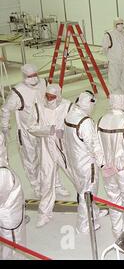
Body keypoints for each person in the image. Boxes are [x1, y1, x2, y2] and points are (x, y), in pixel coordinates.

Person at [0, 64, 58, 198]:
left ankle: (51, 183)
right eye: (30, 76)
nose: (33, 78)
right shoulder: (18, 91)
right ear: (24, 77)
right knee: (31, 160)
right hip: (27, 133)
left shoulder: (43, 82)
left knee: (48, 157)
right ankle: (36, 186)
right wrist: (4, 126)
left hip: (43, 129)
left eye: (34, 75)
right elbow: (6, 109)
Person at [28, 84, 73, 227]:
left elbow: (76, 124)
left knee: (77, 177)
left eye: (52, 97)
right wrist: (48, 130)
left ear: (58, 96)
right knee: (46, 180)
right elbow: (31, 127)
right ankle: (44, 213)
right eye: (47, 96)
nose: (49, 99)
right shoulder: (38, 107)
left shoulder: (67, 106)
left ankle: (92, 209)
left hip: (64, 147)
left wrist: (65, 133)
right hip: (46, 146)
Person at [64, 91, 107, 234]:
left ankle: (93, 212)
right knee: (87, 191)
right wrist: (103, 164)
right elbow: (93, 145)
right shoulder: (85, 122)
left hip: (74, 161)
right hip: (87, 164)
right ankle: (83, 225)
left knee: (83, 188)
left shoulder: (70, 115)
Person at [98, 95, 124, 238]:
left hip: (107, 170)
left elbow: (97, 146)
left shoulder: (102, 119)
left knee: (113, 199)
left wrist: (103, 163)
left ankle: (117, 231)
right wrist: (119, 165)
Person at [0, 132, 26, 260]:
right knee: (12, 245)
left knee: (11, 245)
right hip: (8, 217)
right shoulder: (3, 173)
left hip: (8, 217)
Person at [102, 18, 124, 94]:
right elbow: (105, 48)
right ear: (114, 25)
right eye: (118, 23)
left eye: (122, 23)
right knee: (114, 81)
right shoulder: (109, 34)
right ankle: (116, 99)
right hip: (114, 62)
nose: (120, 25)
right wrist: (108, 58)